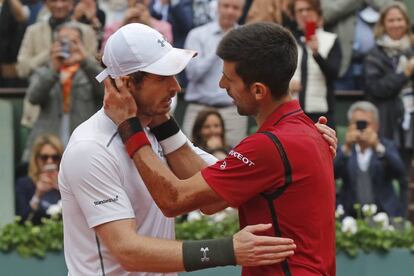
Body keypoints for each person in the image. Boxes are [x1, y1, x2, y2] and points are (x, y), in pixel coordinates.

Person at [59, 23, 297, 275]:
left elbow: (216, 197)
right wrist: (226, 251)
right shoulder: (90, 149)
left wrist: (302, 139)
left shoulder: (158, 131)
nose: (176, 87)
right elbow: (126, 250)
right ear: (126, 84)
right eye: (163, 77)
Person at [104, 22, 337, 275]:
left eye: (230, 78)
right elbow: (211, 202)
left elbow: (174, 200)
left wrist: (129, 126)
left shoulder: (268, 146)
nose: (221, 84)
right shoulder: (307, 132)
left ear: (258, 90)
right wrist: (161, 117)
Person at [22, 22, 104, 161]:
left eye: (73, 42)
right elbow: (33, 97)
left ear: (81, 44)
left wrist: (84, 61)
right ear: (54, 44)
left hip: (82, 144)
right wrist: (54, 69)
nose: (68, 46)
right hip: (49, 145)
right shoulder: (45, 70)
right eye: (63, 42)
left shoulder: (90, 70)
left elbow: (105, 89)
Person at [182, 0, 247, 147]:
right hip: (199, 109)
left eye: (235, 8)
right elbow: (193, 74)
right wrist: (222, 46)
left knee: (233, 161)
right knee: (189, 161)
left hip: (233, 112)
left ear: (241, 12)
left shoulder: (246, 38)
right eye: (226, 6)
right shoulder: (197, 35)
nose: (230, 11)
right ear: (218, 8)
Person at [364, 1, 414, 172]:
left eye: (399, 19)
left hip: (410, 119)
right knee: (388, 170)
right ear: (383, 24)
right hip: (387, 121)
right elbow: (376, 88)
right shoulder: (375, 54)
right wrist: (405, 73)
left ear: (406, 23)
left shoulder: (412, 49)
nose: (396, 24)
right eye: (391, 20)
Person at [335, 101, 407, 218]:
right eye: (357, 124)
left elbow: (400, 172)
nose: (362, 128)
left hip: (384, 216)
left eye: (366, 124)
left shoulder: (386, 146)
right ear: (350, 125)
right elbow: (332, 173)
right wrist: (347, 148)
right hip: (351, 217)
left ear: (376, 126)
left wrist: (377, 146)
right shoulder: (344, 148)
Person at [289, 0, 341, 128]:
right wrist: (287, 84)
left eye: (308, 9)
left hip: (321, 113)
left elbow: (334, 73)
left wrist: (317, 54)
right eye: (300, 10)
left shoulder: (330, 39)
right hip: (292, 112)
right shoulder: (288, 40)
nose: (304, 14)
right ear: (294, 15)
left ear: (318, 13)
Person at [15, 134, 63, 224]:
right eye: (44, 157)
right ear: (36, 159)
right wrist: (38, 195)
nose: (50, 161)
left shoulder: (66, 184)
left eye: (55, 157)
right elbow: (22, 221)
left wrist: (61, 188)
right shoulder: (24, 184)